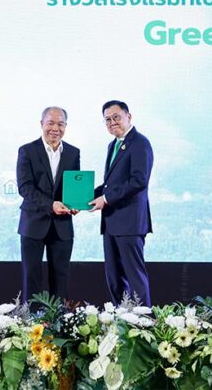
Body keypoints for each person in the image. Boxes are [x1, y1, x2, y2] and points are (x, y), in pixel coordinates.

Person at [89, 100, 153, 306]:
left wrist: (106, 199)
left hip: (130, 223)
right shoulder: (113, 145)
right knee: (114, 278)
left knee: (134, 277)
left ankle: (142, 320)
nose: (112, 122)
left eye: (116, 117)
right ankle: (121, 317)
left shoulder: (140, 143)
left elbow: (139, 181)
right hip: (111, 222)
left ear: (128, 116)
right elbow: (110, 185)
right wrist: (82, 198)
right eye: (107, 119)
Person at [17, 107, 80, 302]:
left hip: (62, 225)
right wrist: (51, 204)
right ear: (41, 124)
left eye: (60, 124)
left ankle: (59, 318)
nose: (55, 128)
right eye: (50, 123)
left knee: (61, 278)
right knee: (32, 277)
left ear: (66, 126)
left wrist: (76, 203)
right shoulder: (27, 150)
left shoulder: (73, 152)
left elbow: (74, 187)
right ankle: (31, 320)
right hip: (33, 223)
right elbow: (25, 187)